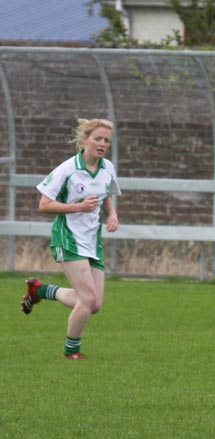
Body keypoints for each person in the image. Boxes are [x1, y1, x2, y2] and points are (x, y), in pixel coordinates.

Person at [20, 118, 121, 360]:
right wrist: (77, 208)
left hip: (92, 241)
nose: (102, 144)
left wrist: (113, 214)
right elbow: (44, 205)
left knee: (94, 305)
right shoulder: (68, 169)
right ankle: (71, 352)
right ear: (85, 139)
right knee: (87, 299)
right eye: (97, 138)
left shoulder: (107, 167)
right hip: (68, 238)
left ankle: (40, 290)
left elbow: (106, 194)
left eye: (106, 140)